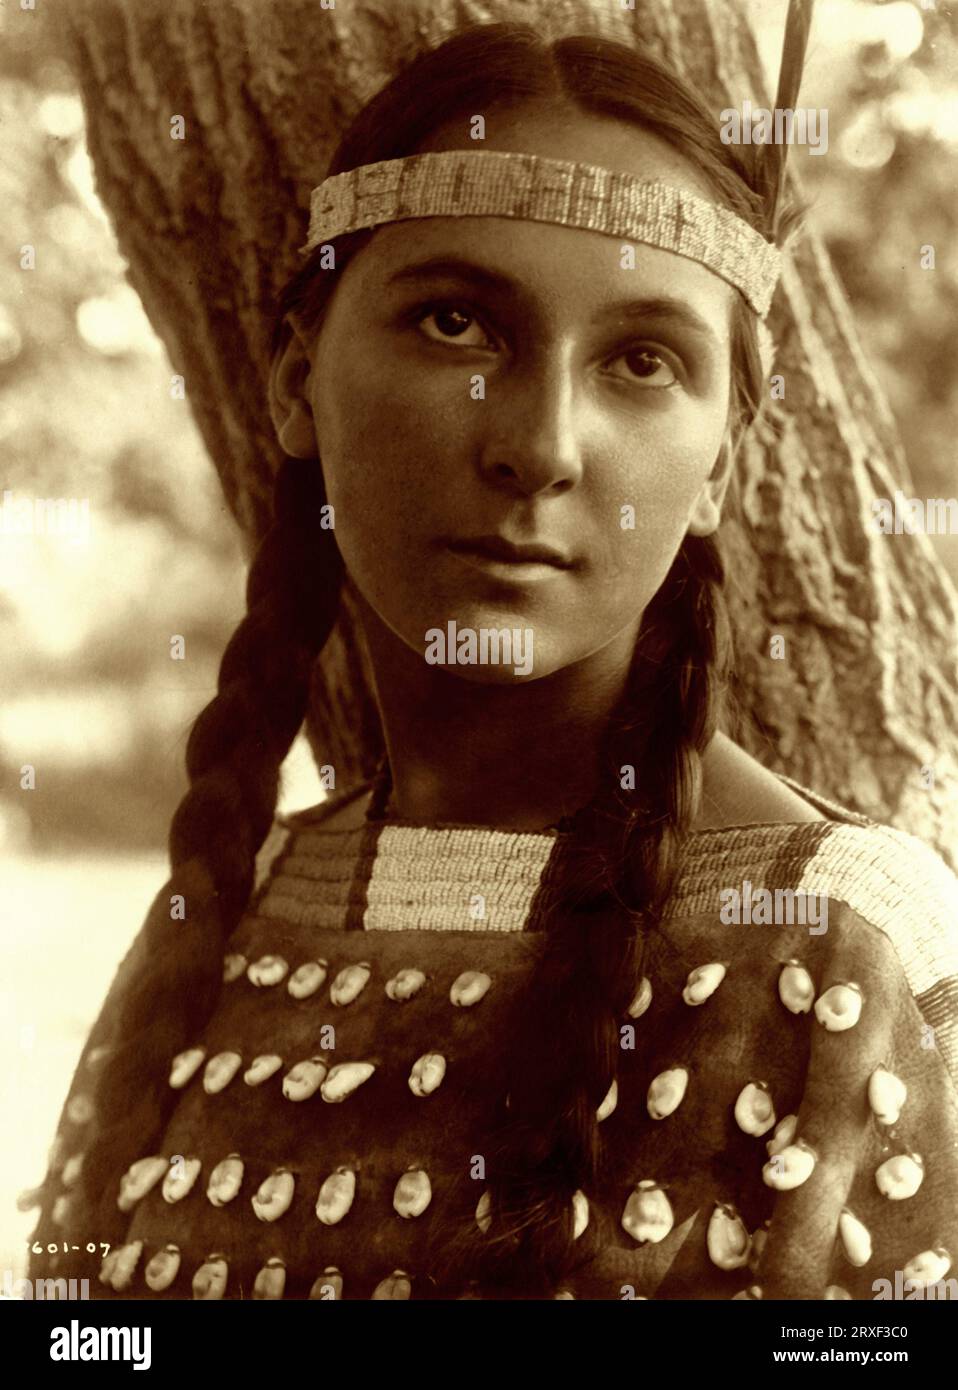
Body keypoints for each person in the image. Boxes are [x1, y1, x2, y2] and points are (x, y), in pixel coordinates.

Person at [26, 19, 958, 1301]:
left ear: (720, 468)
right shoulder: (230, 911)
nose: (541, 442)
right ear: (297, 383)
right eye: (457, 324)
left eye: (642, 360)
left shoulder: (834, 947)